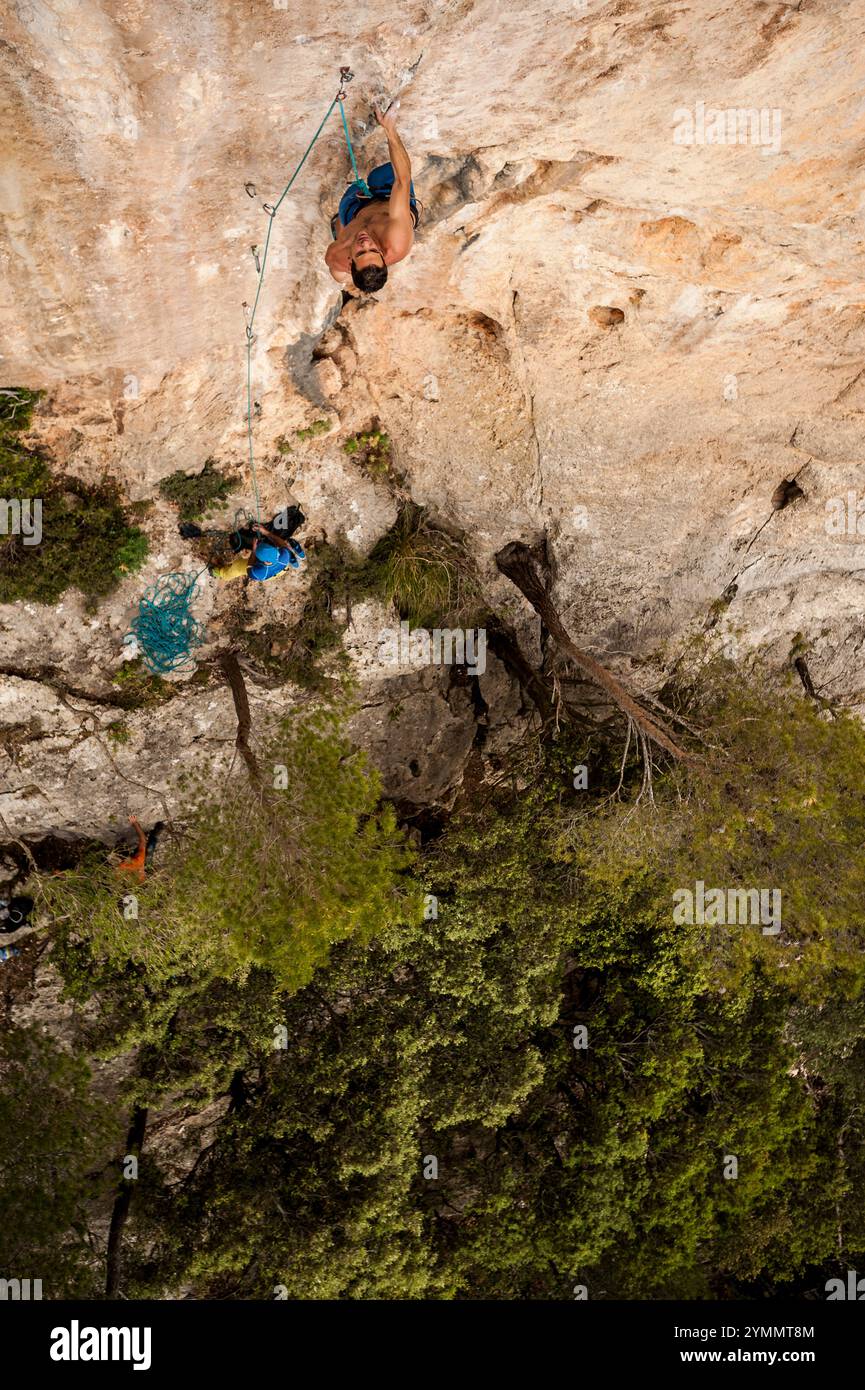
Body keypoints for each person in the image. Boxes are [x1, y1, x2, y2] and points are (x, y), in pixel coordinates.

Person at [325, 100, 418, 292]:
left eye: (360, 252)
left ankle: (340, 225)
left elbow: (340, 260)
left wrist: (347, 233)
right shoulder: (396, 239)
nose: (366, 243)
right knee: (381, 174)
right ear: (383, 256)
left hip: (356, 211)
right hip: (387, 197)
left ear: (350, 260)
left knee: (337, 274)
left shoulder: (335, 255)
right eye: (374, 250)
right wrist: (389, 129)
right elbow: (402, 180)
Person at [180, 504, 305, 583]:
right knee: (279, 540)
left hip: (270, 573)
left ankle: (217, 573)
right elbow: (281, 542)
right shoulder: (284, 555)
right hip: (281, 569)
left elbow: (250, 564)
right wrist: (265, 532)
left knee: (235, 570)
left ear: (261, 561)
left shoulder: (258, 573)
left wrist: (254, 550)